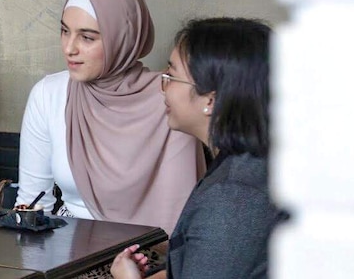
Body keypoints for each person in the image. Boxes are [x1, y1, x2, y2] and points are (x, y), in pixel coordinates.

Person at [16, 0, 205, 235]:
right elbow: (33, 205)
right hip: (64, 248)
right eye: (64, 31)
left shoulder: (170, 98)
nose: (69, 48)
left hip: (147, 255)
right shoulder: (49, 94)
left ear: (123, 39)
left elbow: (178, 214)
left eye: (87, 37)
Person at [111, 18, 285, 279]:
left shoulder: (233, 199)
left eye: (171, 76)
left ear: (211, 101)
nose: (164, 89)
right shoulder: (250, 163)